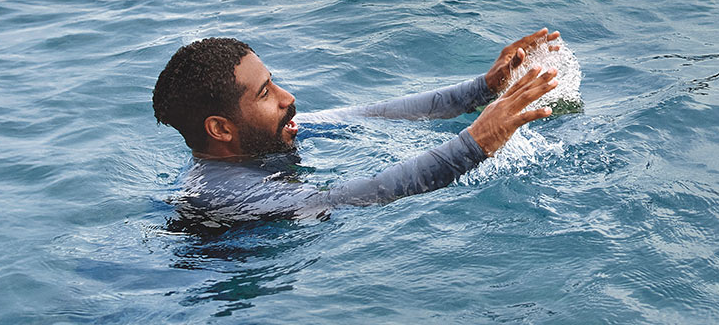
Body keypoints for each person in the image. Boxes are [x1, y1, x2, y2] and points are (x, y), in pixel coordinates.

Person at [152, 29, 562, 223]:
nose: (287, 98)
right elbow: (356, 197)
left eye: (274, 81)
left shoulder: (273, 131)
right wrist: (475, 142)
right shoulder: (226, 194)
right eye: (264, 93)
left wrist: (482, 88)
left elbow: (376, 113)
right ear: (220, 129)